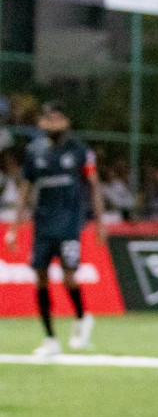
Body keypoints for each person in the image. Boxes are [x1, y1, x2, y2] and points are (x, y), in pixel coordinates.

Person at [4, 104, 104, 355]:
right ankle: (50, 339)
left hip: (70, 222)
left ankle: (82, 316)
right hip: (43, 224)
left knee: (69, 276)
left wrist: (100, 222)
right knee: (40, 277)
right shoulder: (34, 151)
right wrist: (14, 227)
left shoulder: (79, 150)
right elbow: (26, 188)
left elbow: (94, 186)